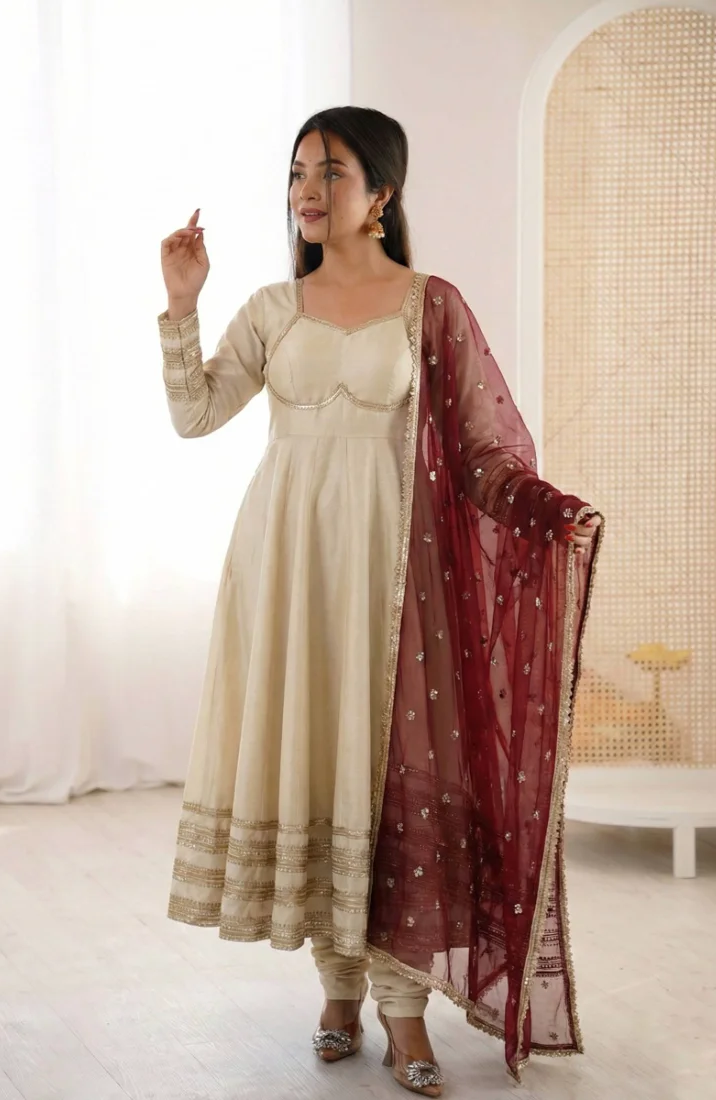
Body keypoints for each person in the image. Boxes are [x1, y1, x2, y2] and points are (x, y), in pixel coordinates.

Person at [157, 106, 603, 1095]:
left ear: (381, 195)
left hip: (398, 571)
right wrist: (182, 303)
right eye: (297, 172)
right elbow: (195, 413)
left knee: (395, 776)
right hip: (286, 568)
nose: (306, 191)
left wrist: (546, 510)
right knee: (320, 766)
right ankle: (337, 991)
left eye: (331, 172)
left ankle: (404, 1011)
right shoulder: (274, 308)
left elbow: (484, 451)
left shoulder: (428, 306)